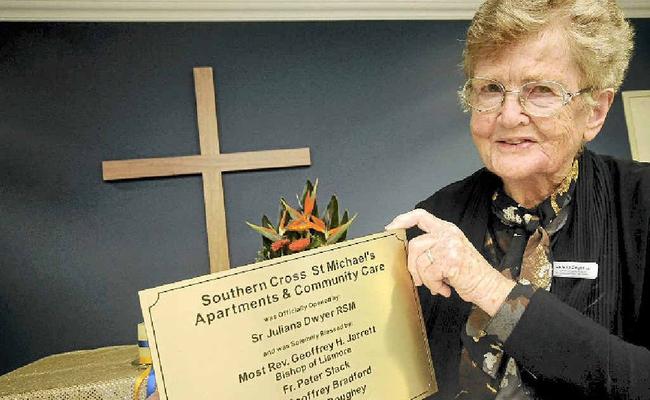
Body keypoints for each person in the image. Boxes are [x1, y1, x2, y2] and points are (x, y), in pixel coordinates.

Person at [385, 0, 649, 399]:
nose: (508, 116)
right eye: (491, 88)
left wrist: (489, 288)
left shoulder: (640, 203)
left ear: (595, 111)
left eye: (540, 90)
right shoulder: (438, 216)